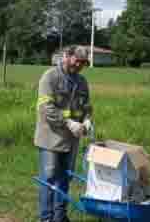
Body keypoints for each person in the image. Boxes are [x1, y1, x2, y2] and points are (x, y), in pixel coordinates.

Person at [35, 46, 93, 222]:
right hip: (51, 138)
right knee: (50, 178)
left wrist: (87, 121)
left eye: (83, 63)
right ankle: (46, 218)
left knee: (65, 178)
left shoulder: (82, 82)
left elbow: (87, 107)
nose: (80, 65)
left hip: (71, 140)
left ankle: (60, 217)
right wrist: (68, 122)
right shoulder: (50, 77)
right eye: (77, 60)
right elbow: (46, 108)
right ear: (67, 56)